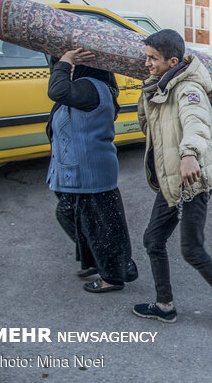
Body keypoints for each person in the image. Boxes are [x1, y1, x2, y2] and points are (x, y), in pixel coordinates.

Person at [132, 29, 212, 329]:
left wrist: (189, 154)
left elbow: (196, 122)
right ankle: (165, 305)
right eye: (146, 58)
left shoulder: (187, 89)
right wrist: (148, 89)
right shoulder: (162, 85)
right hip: (172, 179)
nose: (147, 64)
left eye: (153, 59)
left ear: (172, 60)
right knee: (153, 239)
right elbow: (148, 126)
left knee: (191, 249)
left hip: (191, 178)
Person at [47, 48, 138, 293]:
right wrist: (62, 60)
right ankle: (109, 263)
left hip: (91, 173)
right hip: (79, 173)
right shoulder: (90, 86)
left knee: (101, 227)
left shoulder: (90, 87)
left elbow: (56, 90)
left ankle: (112, 277)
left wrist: (65, 62)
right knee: (74, 216)